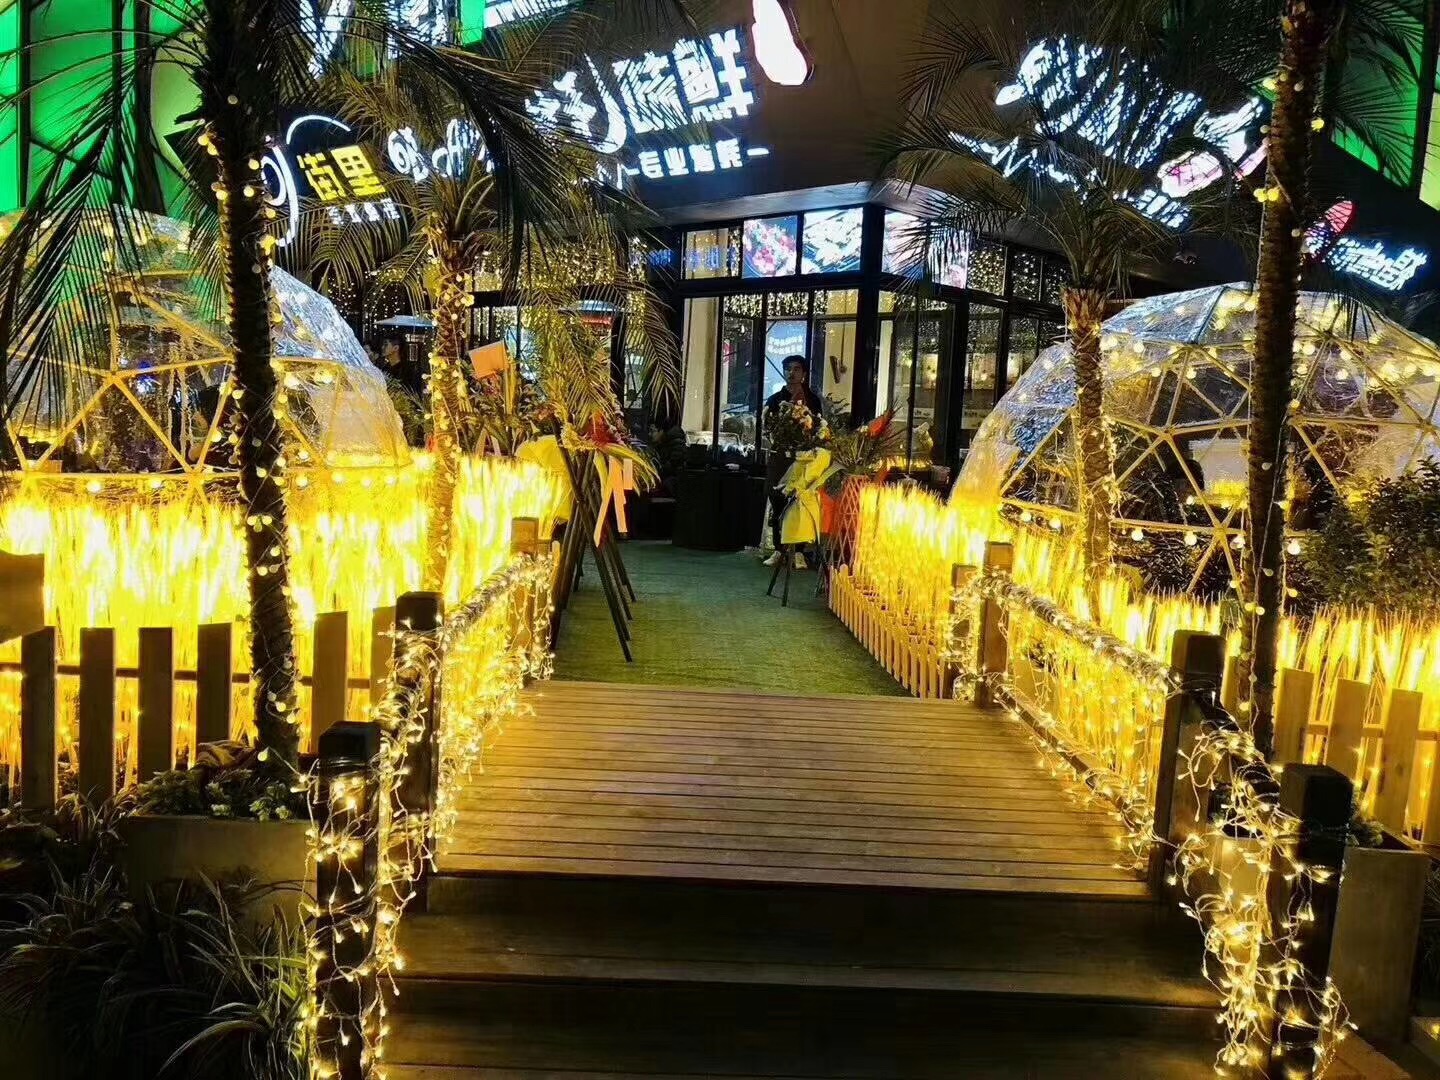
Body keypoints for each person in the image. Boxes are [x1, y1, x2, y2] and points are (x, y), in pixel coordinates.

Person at [763, 355, 824, 567]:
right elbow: (767, 428)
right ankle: (779, 550)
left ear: (803, 373)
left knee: (800, 501)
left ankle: (799, 551)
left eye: (796, 369)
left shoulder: (812, 401)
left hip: (803, 457)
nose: (791, 373)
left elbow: (819, 428)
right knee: (777, 500)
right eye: (788, 369)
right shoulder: (774, 400)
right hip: (780, 457)